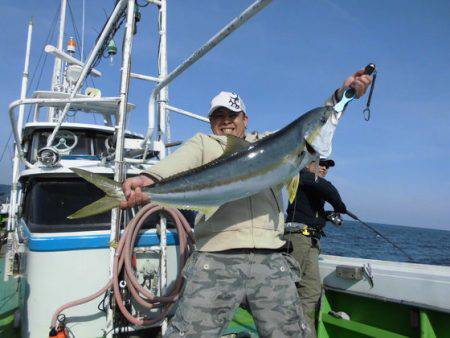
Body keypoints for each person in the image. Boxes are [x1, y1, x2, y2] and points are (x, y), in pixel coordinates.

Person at [120, 70, 372, 338]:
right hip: (216, 256)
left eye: (232, 115)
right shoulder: (204, 143)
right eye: (219, 116)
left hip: (271, 256)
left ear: (245, 118)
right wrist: (148, 179)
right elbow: (176, 164)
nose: (226, 122)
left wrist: (342, 97)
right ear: (210, 121)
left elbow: (317, 122)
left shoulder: (269, 143)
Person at [285, 158, 347, 337]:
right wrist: (339, 206)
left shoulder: (312, 186)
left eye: (327, 166)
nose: (324, 168)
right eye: (321, 163)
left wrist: (327, 216)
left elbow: (309, 211)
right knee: (289, 290)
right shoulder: (301, 176)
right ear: (307, 163)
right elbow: (327, 189)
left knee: (311, 291)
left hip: (310, 241)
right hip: (298, 240)